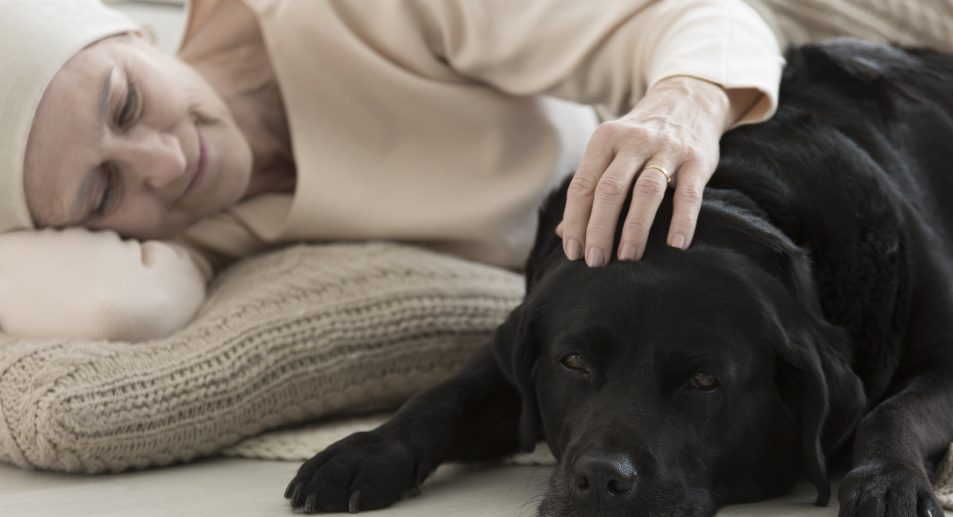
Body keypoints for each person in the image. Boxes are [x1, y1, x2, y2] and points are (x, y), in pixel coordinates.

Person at [0, 0, 783, 341]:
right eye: (102, 189)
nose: (165, 166)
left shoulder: (353, 11)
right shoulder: (192, 228)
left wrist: (683, 101)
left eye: (128, 103)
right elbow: (114, 309)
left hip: (715, 125)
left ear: (138, 32)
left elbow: (691, 19)